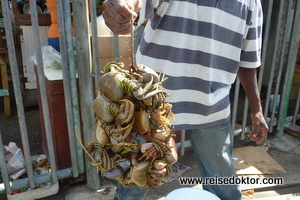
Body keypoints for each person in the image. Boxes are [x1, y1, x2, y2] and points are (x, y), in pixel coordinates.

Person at [102, 0, 269, 200]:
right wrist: (123, 7)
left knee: (224, 187)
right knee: (133, 181)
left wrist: (256, 109)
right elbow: (136, 3)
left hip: (211, 108)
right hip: (150, 104)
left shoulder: (251, 3)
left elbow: (248, 60)